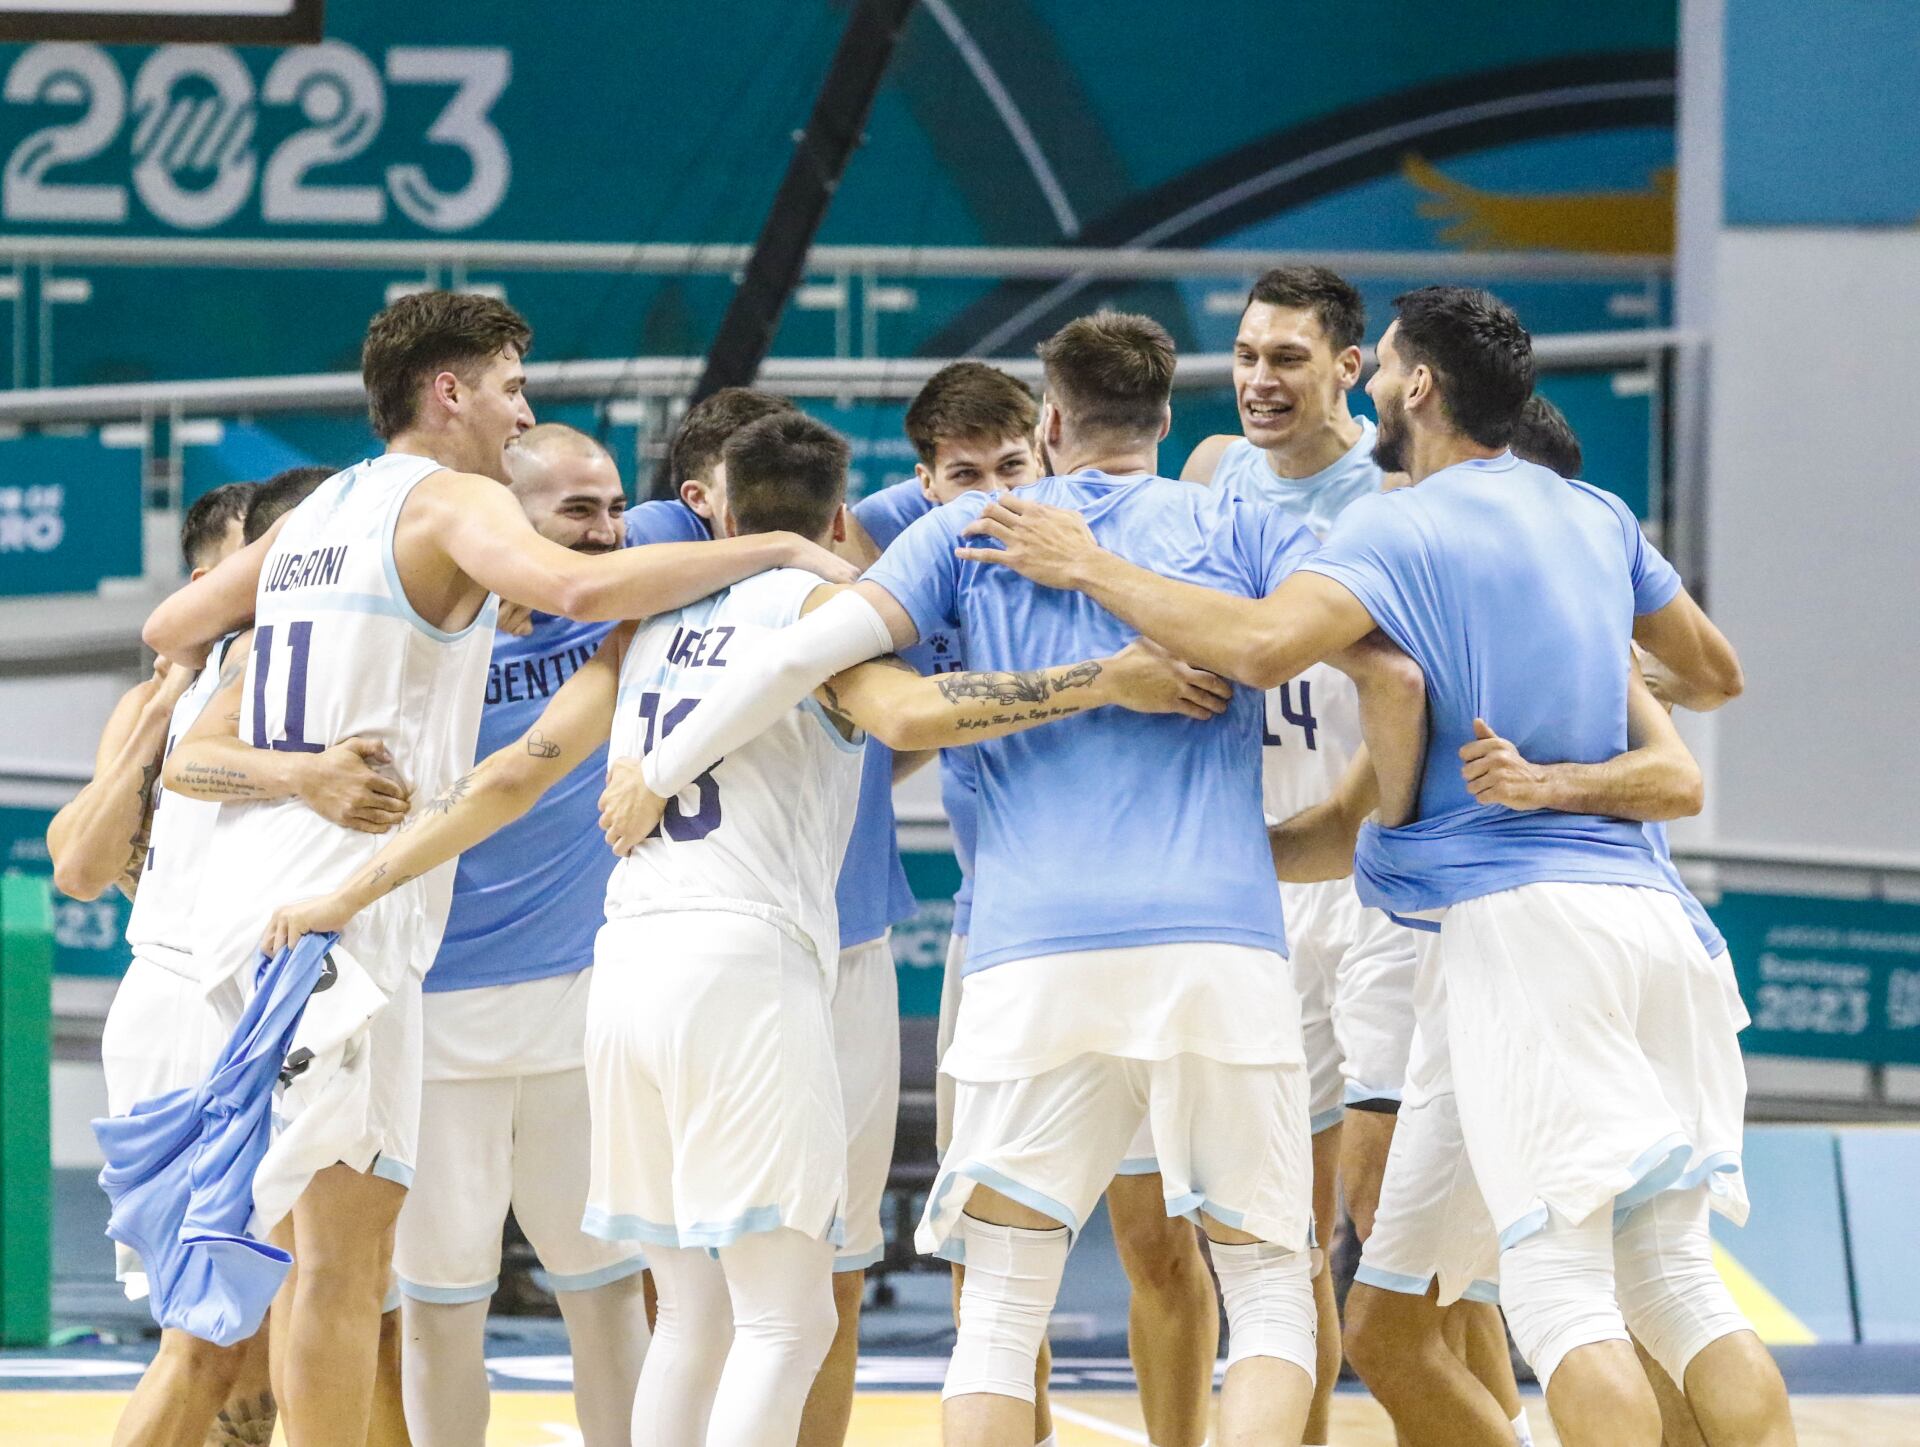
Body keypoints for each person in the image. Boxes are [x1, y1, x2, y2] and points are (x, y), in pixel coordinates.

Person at [256, 409, 1222, 1446]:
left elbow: (506, 778)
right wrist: (1105, 680)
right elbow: (913, 716)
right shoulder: (824, 605)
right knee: (786, 1315)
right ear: (837, 515)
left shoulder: (649, 626)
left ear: (718, 505)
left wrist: (343, 893)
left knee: (696, 1312)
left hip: (623, 969)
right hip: (742, 964)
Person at [961, 287, 1789, 1447]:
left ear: (1416, 386)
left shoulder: (1400, 525)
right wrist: (1554, 696)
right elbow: (1712, 677)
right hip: (1644, 918)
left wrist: (1089, 566)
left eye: (1374, 365)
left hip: (1521, 924)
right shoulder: (1592, 514)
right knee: (1434, 1309)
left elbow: (1258, 647)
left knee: (1561, 1292)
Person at [600, 312, 1383, 1445]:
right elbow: (1365, 670)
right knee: (1269, 1289)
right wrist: (1355, 825)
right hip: (1216, 940)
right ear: (1168, 417)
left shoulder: (961, 531)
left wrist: (658, 771)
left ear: (1049, 421)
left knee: (1003, 1304)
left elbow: (807, 665)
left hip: (1026, 951)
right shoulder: (1237, 524)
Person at [143, 290, 856, 1447]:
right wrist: (777, 546)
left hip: (246, 902)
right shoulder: (455, 495)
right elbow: (572, 589)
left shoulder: (326, 501)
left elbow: (172, 621)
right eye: (513, 386)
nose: (524, 410)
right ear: (450, 391)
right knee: (327, 1272)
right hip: (341, 923)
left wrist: (308, 742)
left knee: (287, 1265)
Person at [57, 476, 403, 1447]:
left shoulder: (297, 663)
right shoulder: (207, 686)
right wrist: (168, 701)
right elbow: (81, 864)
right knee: (215, 1338)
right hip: (195, 1000)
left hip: (232, 998)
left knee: (269, 1330)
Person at [394, 423, 649, 1447]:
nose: (605, 531)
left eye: (615, 506)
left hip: (578, 1019)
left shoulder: (627, 603)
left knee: (606, 1296)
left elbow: (719, 521)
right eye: (576, 511)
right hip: (431, 1016)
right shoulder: (419, 621)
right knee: (443, 1309)